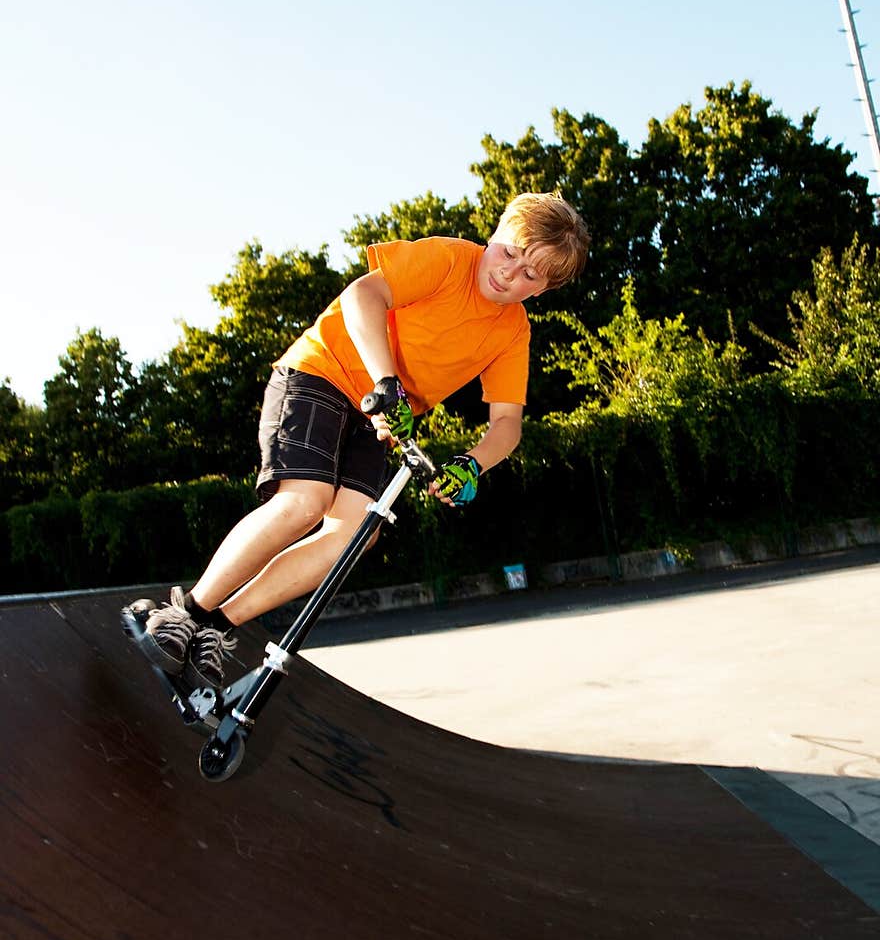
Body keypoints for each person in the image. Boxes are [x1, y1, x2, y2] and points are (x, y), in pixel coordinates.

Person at [138, 191, 590, 689]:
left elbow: (507, 422)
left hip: (383, 416)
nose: (509, 274)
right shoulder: (448, 259)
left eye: (530, 274)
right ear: (495, 233)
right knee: (304, 503)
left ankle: (215, 627)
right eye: (509, 252)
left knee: (356, 535)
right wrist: (386, 380)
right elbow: (362, 295)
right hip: (324, 372)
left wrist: (471, 464)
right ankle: (184, 613)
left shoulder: (512, 332)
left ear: (543, 289)